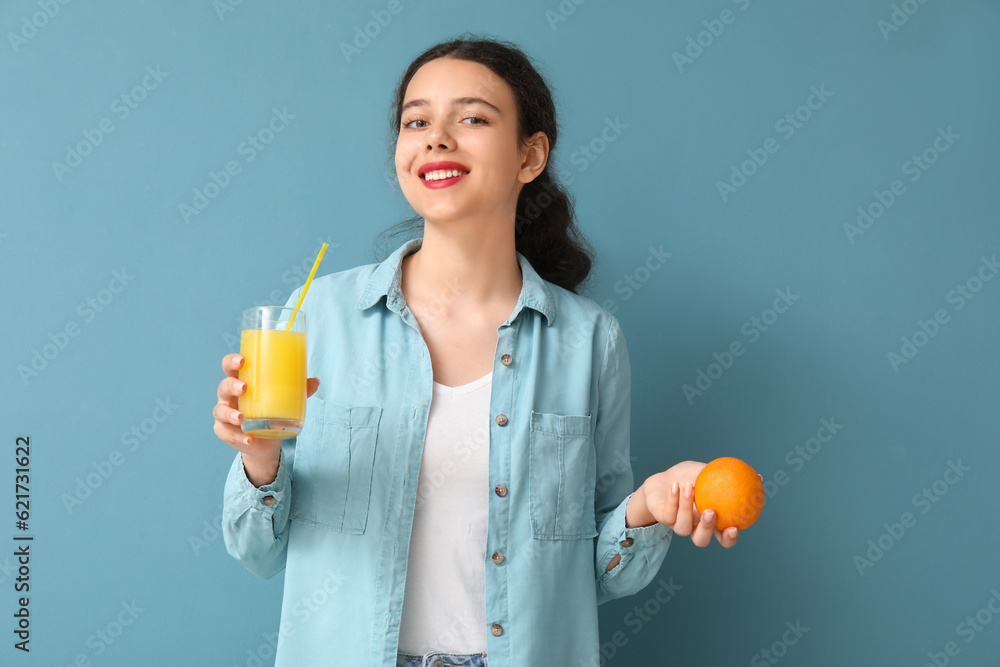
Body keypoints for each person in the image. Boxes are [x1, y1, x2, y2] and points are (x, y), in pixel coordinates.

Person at [214, 34, 740, 667]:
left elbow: (599, 576)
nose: (437, 137)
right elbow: (257, 551)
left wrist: (651, 507)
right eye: (417, 121)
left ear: (530, 155)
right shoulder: (319, 317)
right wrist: (261, 458)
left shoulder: (588, 341)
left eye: (471, 118)